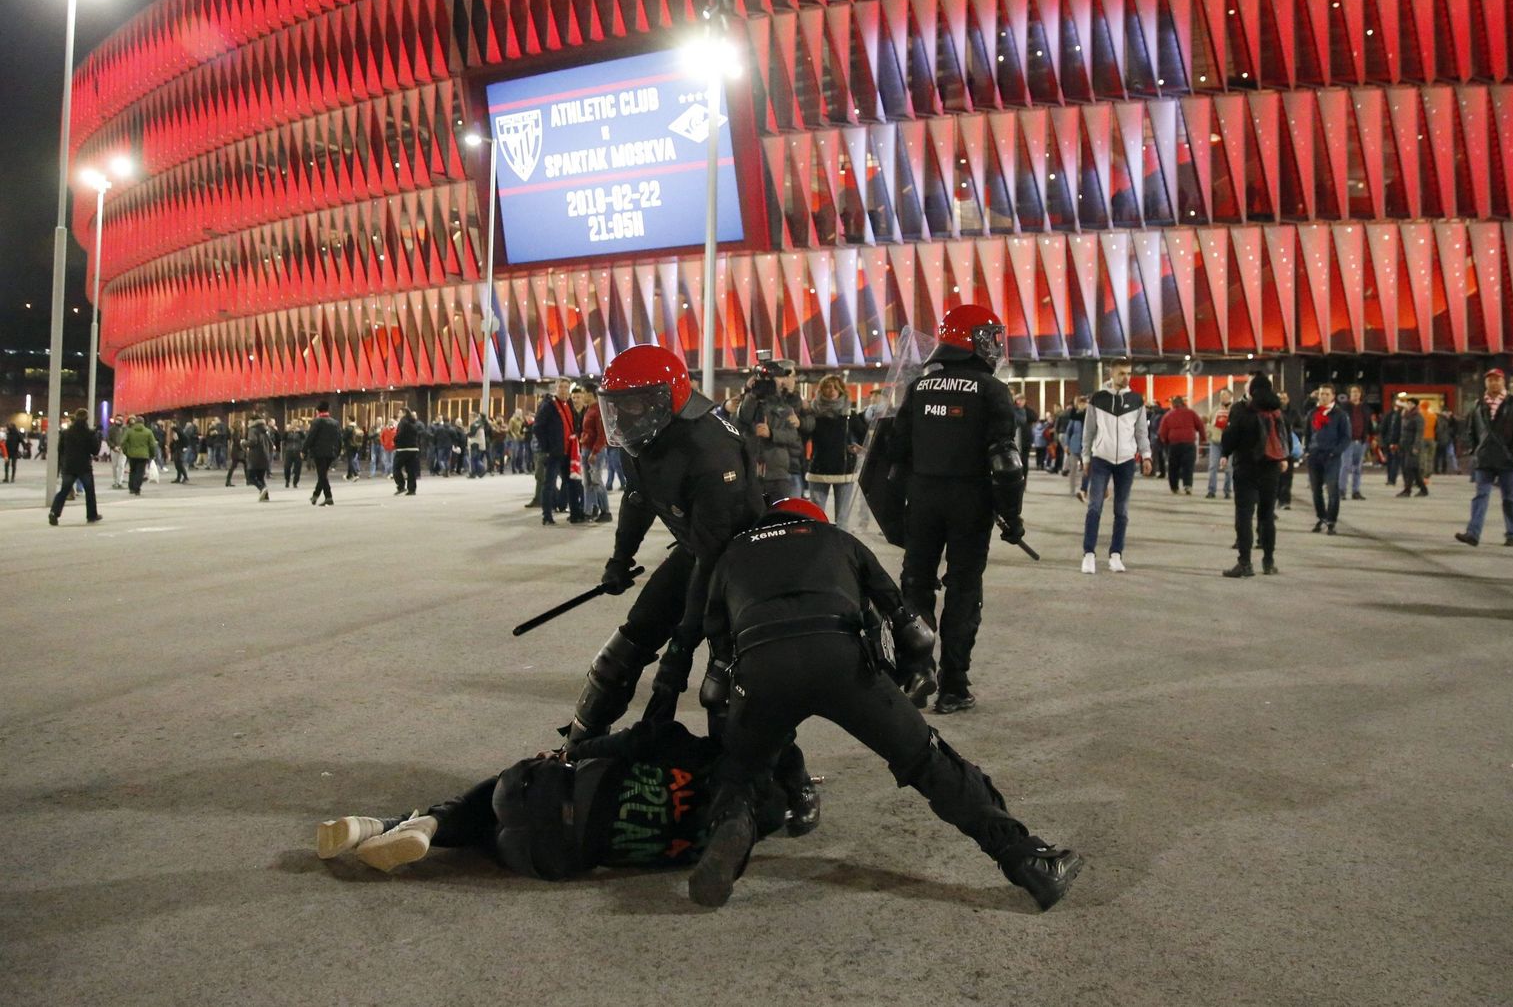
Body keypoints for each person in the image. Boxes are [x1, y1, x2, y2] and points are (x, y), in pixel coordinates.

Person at [688, 497, 1082, 912]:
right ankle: (1028, 862)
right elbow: (911, 627)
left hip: (763, 666)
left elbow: (716, 674)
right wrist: (912, 674)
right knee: (928, 760)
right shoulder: (838, 540)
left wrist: (740, 734)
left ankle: (730, 825)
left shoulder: (732, 555)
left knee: (740, 775)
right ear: (816, 520)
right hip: (840, 659)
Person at [315, 717, 815, 878]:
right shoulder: (726, 841)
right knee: (491, 838)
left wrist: (570, 753)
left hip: (543, 795)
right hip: (555, 856)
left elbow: (641, 738)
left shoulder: (709, 757)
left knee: (495, 797)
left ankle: (412, 823)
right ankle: (402, 828)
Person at [563, 344, 765, 742]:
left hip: (742, 564)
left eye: (633, 404)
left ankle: (751, 771)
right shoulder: (641, 440)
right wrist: (620, 559)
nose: (621, 416)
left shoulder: (710, 451)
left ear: (664, 401)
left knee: (726, 681)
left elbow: (713, 557)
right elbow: (638, 498)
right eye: (615, 405)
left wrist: (682, 645)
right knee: (620, 654)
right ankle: (580, 747)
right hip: (698, 550)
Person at [882, 304, 1025, 714]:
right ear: (972, 339)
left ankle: (918, 670)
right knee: (963, 589)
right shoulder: (991, 389)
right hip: (970, 503)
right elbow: (1006, 462)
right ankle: (954, 686)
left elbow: (895, 450)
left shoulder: (920, 387)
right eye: (989, 336)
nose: (995, 345)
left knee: (916, 584)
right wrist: (1011, 516)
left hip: (922, 500)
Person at [1080, 359, 1151, 574]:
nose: (1126, 377)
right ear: (1111, 373)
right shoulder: (1097, 398)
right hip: (1101, 459)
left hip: (1127, 461)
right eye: (1121, 373)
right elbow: (1088, 431)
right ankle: (1089, 555)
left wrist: (1146, 456)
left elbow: (1141, 432)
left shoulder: (1137, 400)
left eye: (1129, 373)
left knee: (1122, 510)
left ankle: (1116, 555)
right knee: (1094, 507)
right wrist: (1085, 458)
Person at [1219, 375, 1289, 577]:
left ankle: (1245, 563)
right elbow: (1286, 437)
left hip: (1246, 468)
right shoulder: (1276, 410)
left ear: (1251, 391)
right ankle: (1268, 562)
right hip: (1271, 469)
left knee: (1244, 515)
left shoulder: (1241, 409)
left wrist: (1226, 452)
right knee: (1267, 516)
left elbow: (1230, 437)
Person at [1456, 369, 1513, 548]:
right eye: (1490, 380)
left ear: (1503, 381)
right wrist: (1474, 450)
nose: (1494, 383)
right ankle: (1473, 533)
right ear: (1485, 383)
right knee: (1481, 496)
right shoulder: (1478, 405)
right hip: (1484, 459)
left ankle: (1512, 533)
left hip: (1507, 459)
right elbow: (1471, 430)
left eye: (1497, 379)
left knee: (1509, 499)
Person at [736, 359, 810, 503]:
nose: (768, 383)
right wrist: (751, 394)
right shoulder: (750, 400)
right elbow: (741, 420)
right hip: (752, 470)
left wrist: (771, 434)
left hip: (778, 472)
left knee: (782, 512)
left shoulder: (786, 405)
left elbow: (792, 435)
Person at [806, 373, 866, 523]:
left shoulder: (849, 414)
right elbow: (802, 435)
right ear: (821, 390)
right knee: (816, 518)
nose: (832, 390)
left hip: (844, 470)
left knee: (842, 519)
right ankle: (820, 539)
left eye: (835, 387)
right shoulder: (813, 413)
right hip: (818, 468)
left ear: (841, 390)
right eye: (828, 387)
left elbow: (864, 435)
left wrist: (859, 448)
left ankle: (839, 540)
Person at [533, 380, 584, 525]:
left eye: (566, 387)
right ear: (556, 388)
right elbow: (537, 427)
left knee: (572, 483)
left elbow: (574, 424)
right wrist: (547, 447)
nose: (563, 390)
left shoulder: (569, 405)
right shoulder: (549, 405)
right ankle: (547, 516)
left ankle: (575, 514)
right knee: (549, 483)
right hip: (554, 452)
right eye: (561, 387)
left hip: (568, 451)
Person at [1304, 384, 1352, 534]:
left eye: (1326, 394)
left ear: (1333, 396)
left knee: (1332, 489)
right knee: (1316, 490)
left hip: (1331, 457)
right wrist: (1307, 451)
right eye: (1321, 394)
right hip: (1314, 456)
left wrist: (1335, 452)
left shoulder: (1340, 414)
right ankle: (1321, 518)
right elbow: (1307, 433)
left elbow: (1346, 437)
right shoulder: (1313, 413)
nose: (1323, 396)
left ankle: (1331, 521)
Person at [47, 409, 103, 527]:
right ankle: (91, 515)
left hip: (69, 465)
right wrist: (98, 438)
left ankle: (54, 512)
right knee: (89, 491)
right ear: (87, 418)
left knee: (64, 490)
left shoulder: (66, 433)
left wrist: (64, 462)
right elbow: (95, 451)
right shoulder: (89, 433)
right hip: (84, 466)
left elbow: (60, 449)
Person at [576, 383, 612, 522]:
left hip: (594, 451)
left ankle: (605, 511)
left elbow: (602, 434)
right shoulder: (589, 409)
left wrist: (595, 452)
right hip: (586, 448)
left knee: (596, 481)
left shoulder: (598, 410)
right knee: (587, 483)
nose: (582, 395)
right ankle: (589, 510)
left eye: (583, 392)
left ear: (590, 394)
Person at [1157, 395, 1205, 495]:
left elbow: (1162, 431)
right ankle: (1187, 485)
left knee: (1173, 466)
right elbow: (1200, 425)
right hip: (1189, 443)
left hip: (1174, 444)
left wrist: (1165, 441)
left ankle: (1174, 487)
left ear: (1173, 404)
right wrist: (1203, 438)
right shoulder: (1191, 413)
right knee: (1188, 466)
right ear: (1183, 403)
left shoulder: (1168, 415)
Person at [304, 402, 342, 506]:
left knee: (322, 475)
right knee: (323, 474)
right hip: (331, 452)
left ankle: (328, 497)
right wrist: (338, 451)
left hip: (319, 452)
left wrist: (304, 450)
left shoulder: (317, 422)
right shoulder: (335, 422)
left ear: (318, 411)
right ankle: (315, 495)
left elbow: (310, 437)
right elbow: (339, 438)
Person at [1396, 395, 1429, 497]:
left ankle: (1407, 490)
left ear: (1415, 405)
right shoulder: (1406, 415)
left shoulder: (1418, 417)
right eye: (1408, 403)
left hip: (1412, 446)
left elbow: (1419, 433)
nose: (1409, 405)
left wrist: (1416, 446)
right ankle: (1423, 489)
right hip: (1404, 445)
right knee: (1414, 469)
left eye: (1411, 404)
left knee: (1409, 468)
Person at [1204, 389, 1233, 500]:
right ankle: (1211, 490)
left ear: (1230, 396)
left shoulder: (1234, 410)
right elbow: (1209, 423)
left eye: (1225, 395)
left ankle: (1227, 491)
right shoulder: (1215, 410)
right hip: (1215, 441)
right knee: (1213, 466)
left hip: (1229, 443)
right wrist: (1209, 434)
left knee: (1229, 468)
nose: (1222, 397)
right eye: (1221, 395)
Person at [121, 415, 157, 496]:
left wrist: (126, 451)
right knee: (140, 472)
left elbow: (123, 442)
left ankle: (131, 488)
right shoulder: (148, 432)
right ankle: (137, 488)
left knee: (132, 471)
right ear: (143, 423)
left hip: (132, 455)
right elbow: (152, 445)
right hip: (144, 455)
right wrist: (152, 454)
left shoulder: (129, 431)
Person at [244, 412, 273, 501]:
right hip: (264, 457)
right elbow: (271, 444)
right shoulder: (265, 430)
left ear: (253, 421)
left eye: (249, 421)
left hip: (255, 457)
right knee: (261, 478)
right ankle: (266, 496)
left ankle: (262, 488)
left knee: (250, 478)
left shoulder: (253, 430)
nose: (248, 423)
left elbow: (252, 441)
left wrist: (243, 443)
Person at [1380, 394, 1407, 487]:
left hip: (1398, 441)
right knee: (1390, 461)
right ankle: (1390, 479)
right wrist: (1384, 440)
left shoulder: (1403, 414)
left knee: (1395, 460)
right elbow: (1383, 428)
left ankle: (1392, 479)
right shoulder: (1389, 414)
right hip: (1389, 440)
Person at [392, 409, 421, 496]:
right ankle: (412, 489)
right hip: (413, 448)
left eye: (399, 412)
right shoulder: (414, 422)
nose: (398, 414)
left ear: (404, 413)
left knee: (396, 468)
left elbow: (400, 434)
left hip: (403, 449)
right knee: (411, 470)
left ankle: (401, 486)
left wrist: (395, 440)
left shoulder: (403, 422)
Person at [281, 420, 305, 489]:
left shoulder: (300, 432)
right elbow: (283, 438)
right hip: (289, 451)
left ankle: (295, 482)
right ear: (291, 424)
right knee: (287, 467)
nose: (294, 425)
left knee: (298, 468)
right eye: (293, 423)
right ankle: (287, 480)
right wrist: (286, 431)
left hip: (298, 451)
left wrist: (300, 431)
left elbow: (304, 438)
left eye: (295, 423)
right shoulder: (288, 431)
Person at [224, 422, 247, 486]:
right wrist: (243, 448)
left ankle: (228, 481)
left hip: (236, 452)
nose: (243, 425)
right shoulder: (237, 432)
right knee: (244, 465)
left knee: (235, 466)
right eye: (242, 424)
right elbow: (237, 442)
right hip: (238, 452)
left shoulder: (236, 432)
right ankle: (248, 480)